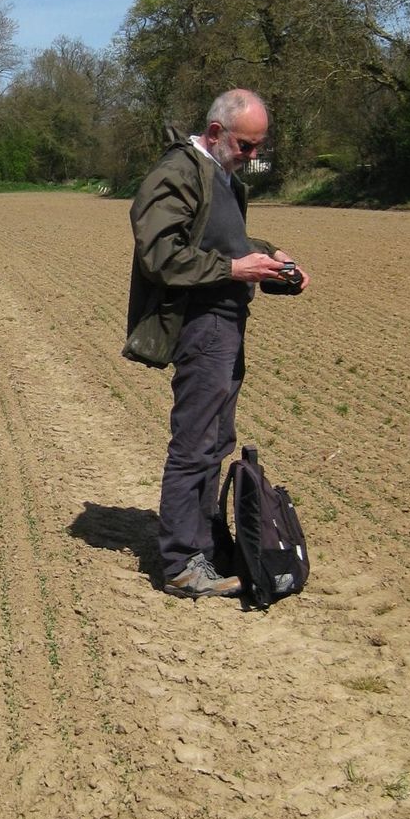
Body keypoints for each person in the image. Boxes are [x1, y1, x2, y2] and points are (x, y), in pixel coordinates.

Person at [122, 90, 309, 599]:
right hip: (199, 325)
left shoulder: (220, 176)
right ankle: (183, 564)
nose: (253, 156)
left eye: (258, 147)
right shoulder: (178, 172)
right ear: (215, 133)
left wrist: (271, 261)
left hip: (226, 323)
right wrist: (234, 268)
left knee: (216, 441)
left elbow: (224, 243)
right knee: (195, 443)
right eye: (246, 146)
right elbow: (160, 255)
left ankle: (205, 545)